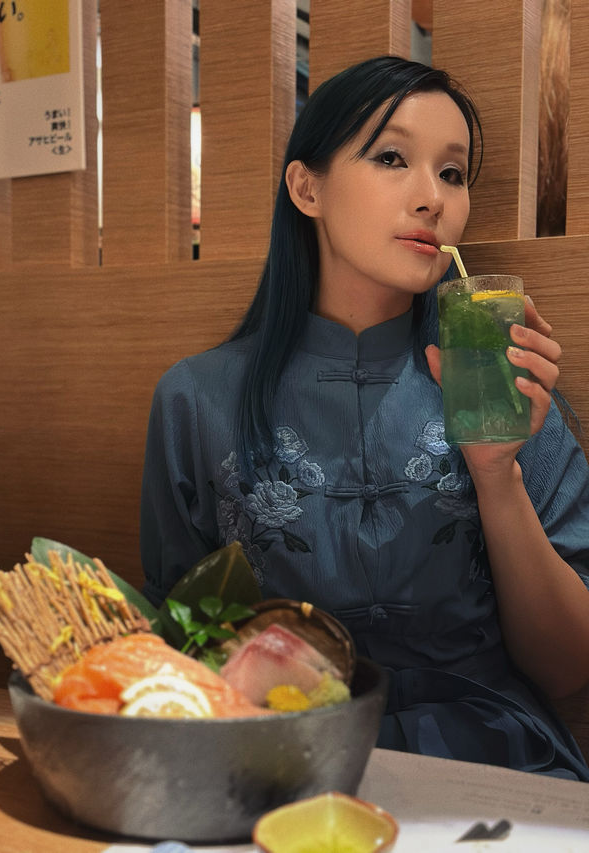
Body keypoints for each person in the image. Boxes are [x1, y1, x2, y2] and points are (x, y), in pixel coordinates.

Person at [140, 56, 589, 779]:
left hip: (493, 764)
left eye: (452, 173)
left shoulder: (503, 384)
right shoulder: (195, 399)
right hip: (276, 765)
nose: (431, 198)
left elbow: (568, 669)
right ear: (306, 187)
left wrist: (496, 473)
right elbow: (176, 638)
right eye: (391, 158)